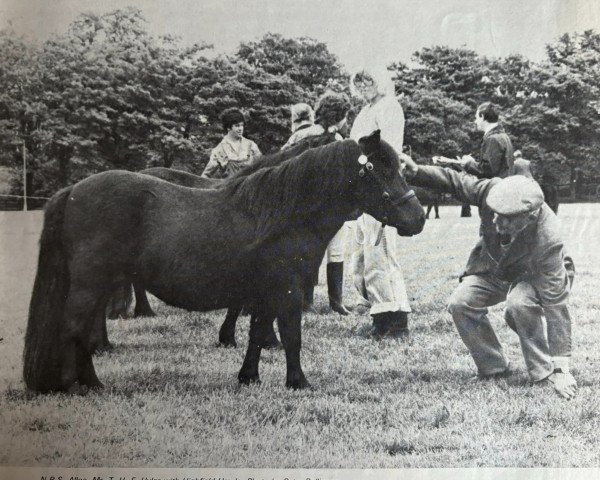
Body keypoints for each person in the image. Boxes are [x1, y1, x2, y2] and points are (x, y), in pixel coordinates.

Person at [407, 164, 577, 400]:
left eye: (506, 219)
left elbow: (556, 307)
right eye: (494, 212)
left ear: (529, 218)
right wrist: (416, 171)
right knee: (461, 302)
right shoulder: (492, 191)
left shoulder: (548, 240)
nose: (496, 220)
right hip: (495, 266)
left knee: (519, 305)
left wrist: (561, 370)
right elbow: (455, 180)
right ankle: (494, 368)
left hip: (532, 273)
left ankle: (543, 373)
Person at [349, 66, 413, 339]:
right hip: (362, 187)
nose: (364, 88)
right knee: (363, 256)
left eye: (368, 82)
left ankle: (396, 319)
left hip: (381, 186)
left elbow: (388, 149)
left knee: (381, 252)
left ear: (379, 83)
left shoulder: (389, 107)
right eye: (359, 84)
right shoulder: (364, 112)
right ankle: (379, 312)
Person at [283, 93, 353, 315]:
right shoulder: (321, 139)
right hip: (320, 205)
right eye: (345, 116)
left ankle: (318, 301)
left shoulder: (309, 136)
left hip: (320, 205)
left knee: (321, 251)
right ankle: (325, 302)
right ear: (339, 116)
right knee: (329, 251)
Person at [202, 108, 261, 179]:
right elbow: (206, 175)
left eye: (242, 125)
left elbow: (262, 168)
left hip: (249, 188)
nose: (240, 128)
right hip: (228, 188)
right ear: (228, 128)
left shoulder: (251, 146)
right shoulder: (219, 150)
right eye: (237, 126)